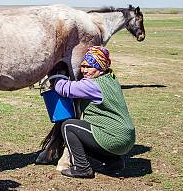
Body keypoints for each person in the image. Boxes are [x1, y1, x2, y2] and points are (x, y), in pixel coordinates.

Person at [54, 46, 135, 178]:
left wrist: (59, 74)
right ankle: (113, 161)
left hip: (114, 137)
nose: (84, 71)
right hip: (126, 138)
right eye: (83, 66)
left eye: (90, 67)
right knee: (86, 136)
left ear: (100, 67)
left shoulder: (92, 85)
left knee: (69, 127)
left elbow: (64, 89)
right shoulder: (110, 78)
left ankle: (82, 168)